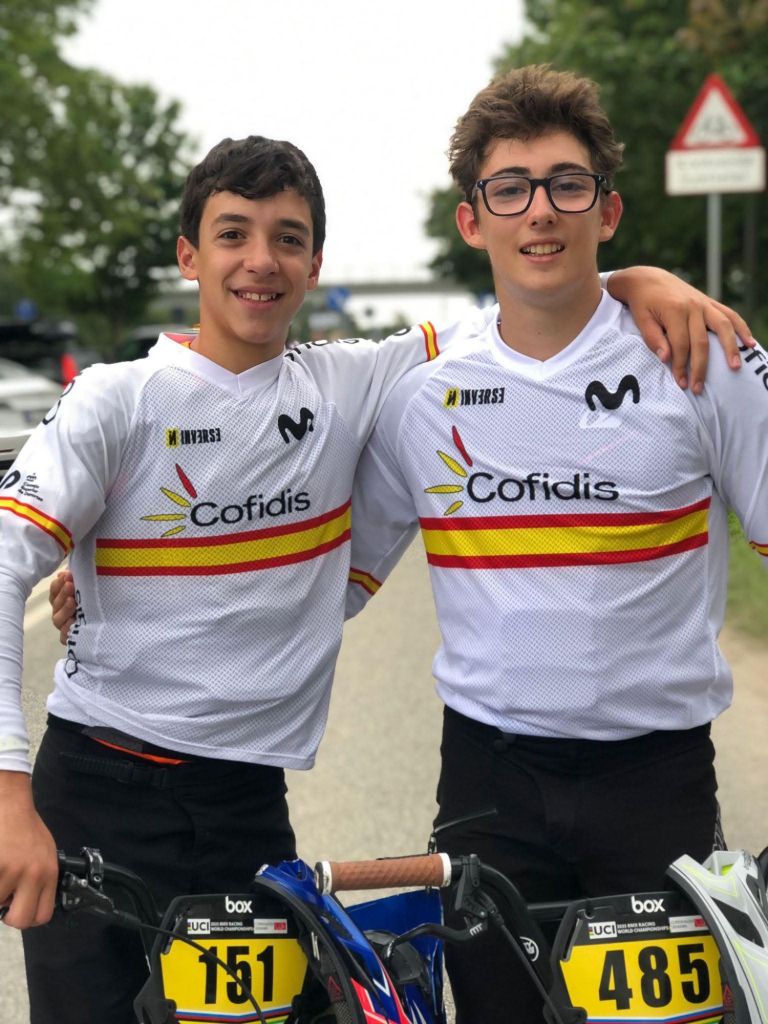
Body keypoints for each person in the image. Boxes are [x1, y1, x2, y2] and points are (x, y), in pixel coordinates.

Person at [32, 132, 747, 1019]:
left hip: (247, 798)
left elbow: (533, 304)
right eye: (232, 235)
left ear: (315, 263)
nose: (260, 261)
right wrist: (8, 791)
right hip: (95, 787)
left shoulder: (355, 380)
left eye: (288, 238)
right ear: (188, 255)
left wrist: (638, 279)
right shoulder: (117, 396)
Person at [343, 66, 768, 1023]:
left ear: (606, 211)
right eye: (511, 189)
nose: (540, 210)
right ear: (472, 221)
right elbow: (326, 582)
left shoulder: (704, 359)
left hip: (656, 780)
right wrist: (118, 587)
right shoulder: (423, 391)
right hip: (491, 784)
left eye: (567, 185)